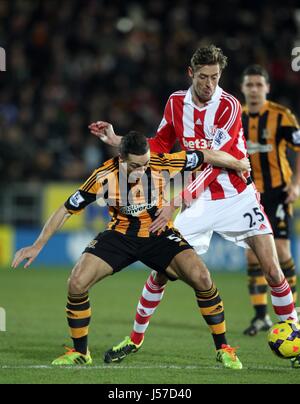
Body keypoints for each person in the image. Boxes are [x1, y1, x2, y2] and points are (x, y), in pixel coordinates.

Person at [89, 45, 298, 364]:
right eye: (203, 77)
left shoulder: (229, 105)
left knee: (272, 268)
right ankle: (134, 339)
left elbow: (215, 162)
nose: (209, 84)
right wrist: (121, 142)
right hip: (198, 202)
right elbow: (159, 144)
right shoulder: (175, 103)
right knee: (162, 271)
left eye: (215, 77)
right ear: (191, 73)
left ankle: (295, 335)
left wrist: (176, 201)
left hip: (235, 195)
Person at [11, 131, 250, 369]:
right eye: (135, 166)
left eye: (145, 164)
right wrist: (37, 245)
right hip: (120, 235)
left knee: (202, 278)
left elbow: (205, 155)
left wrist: (238, 163)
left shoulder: (161, 162)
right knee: (76, 283)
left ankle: (223, 348)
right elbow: (65, 209)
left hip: (157, 233)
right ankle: (81, 352)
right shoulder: (103, 176)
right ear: (121, 158)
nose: (142, 170)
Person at [241, 65, 300, 336]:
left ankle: (292, 315)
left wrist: (296, 184)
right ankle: (260, 316)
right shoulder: (234, 117)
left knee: (281, 249)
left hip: (278, 191)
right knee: (252, 253)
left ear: (267, 88)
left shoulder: (282, 116)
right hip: (248, 193)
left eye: (258, 84)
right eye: (249, 85)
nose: (254, 89)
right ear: (243, 88)